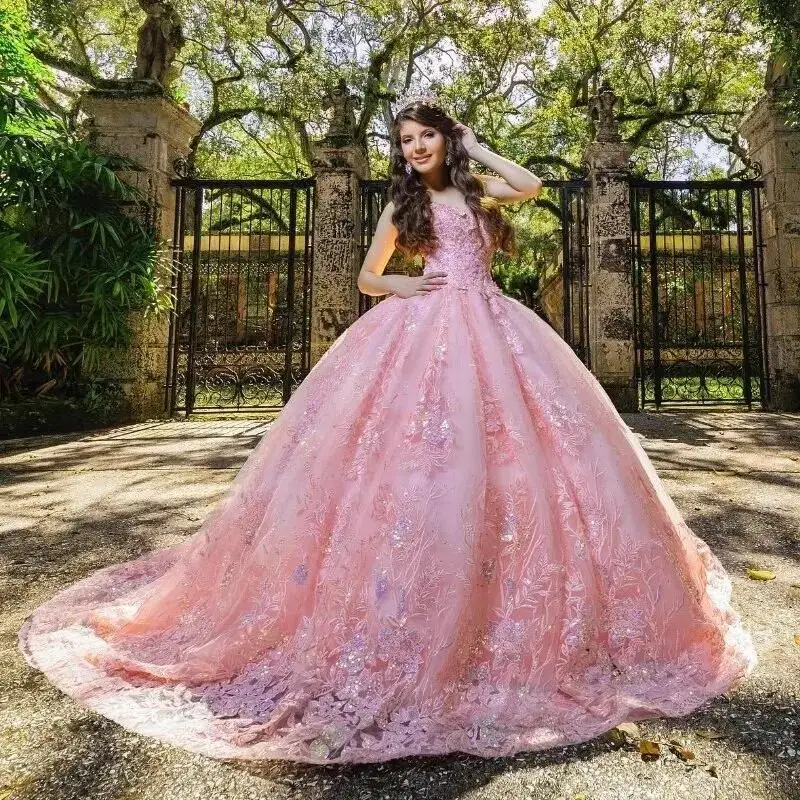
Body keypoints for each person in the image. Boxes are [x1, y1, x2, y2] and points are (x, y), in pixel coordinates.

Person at [18, 92, 758, 766]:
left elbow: (529, 185)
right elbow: (369, 278)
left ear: (444, 137)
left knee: (531, 458)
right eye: (404, 140)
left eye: (423, 136)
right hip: (423, 330)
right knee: (415, 463)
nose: (412, 148)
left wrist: (474, 141)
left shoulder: (474, 186)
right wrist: (406, 281)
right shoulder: (402, 208)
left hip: (496, 329)